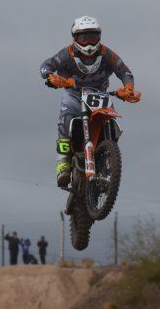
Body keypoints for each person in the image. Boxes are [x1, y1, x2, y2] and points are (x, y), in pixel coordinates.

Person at [40, 15, 141, 188]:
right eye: (83, 38)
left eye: (92, 37)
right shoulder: (67, 54)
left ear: (99, 37)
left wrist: (128, 88)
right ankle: (63, 162)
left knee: (112, 122)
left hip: (100, 96)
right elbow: (46, 65)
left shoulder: (106, 54)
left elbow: (124, 71)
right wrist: (50, 77)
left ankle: (108, 159)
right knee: (65, 119)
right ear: (75, 38)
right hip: (74, 95)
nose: (88, 43)